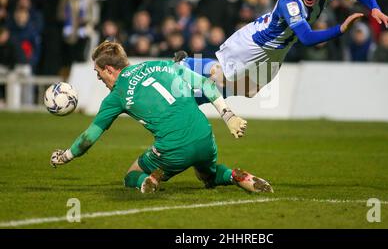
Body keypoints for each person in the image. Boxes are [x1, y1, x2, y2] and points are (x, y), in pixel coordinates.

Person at [49, 41, 273, 194]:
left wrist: (66, 156)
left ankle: (148, 180)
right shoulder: (162, 64)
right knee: (208, 176)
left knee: (131, 175)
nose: (99, 79)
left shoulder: (116, 96)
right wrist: (228, 115)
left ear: (108, 69)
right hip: (205, 136)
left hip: (173, 150)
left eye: (99, 74)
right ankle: (237, 176)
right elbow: (205, 83)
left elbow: (89, 138)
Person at [176, 0, 388, 102]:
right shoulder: (290, 0)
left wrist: (375, 9)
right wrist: (341, 28)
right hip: (256, 43)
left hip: (279, 50)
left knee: (250, 91)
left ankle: (195, 98)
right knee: (221, 74)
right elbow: (307, 38)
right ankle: (185, 64)